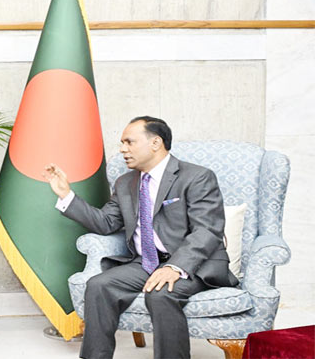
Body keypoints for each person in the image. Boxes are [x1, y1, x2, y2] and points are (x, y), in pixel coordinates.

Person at [44, 116, 238, 359]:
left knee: (161, 294)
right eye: (122, 143)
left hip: (195, 265)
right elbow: (105, 223)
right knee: (98, 285)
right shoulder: (125, 183)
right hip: (145, 263)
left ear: (155, 143)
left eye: (129, 142)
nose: (122, 149)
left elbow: (207, 230)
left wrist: (175, 267)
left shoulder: (197, 177)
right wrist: (66, 195)